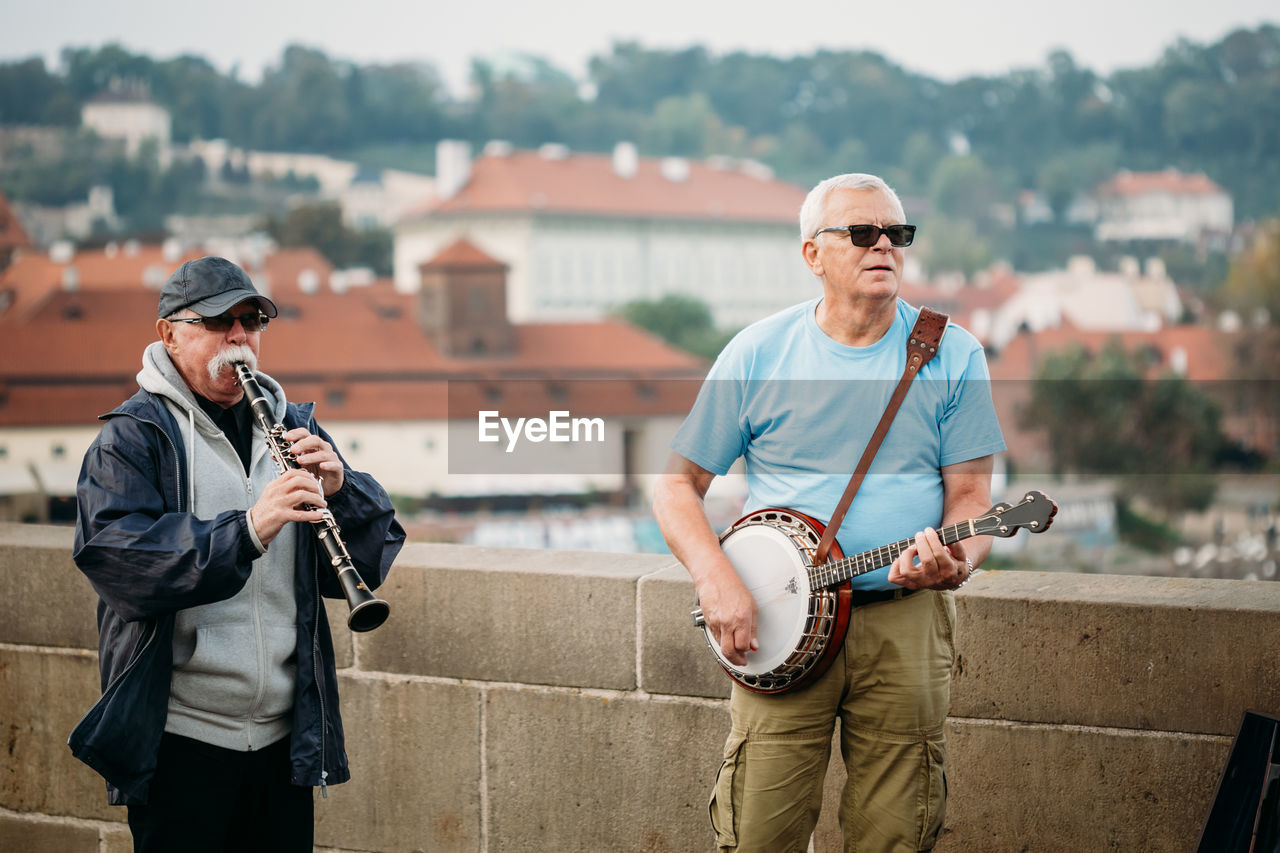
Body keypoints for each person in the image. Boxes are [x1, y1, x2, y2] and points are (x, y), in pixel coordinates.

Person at [652, 173, 1005, 852]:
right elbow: (675, 487)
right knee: (759, 832)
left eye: (896, 235)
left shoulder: (953, 351)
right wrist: (716, 580)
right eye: (863, 233)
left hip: (903, 620)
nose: (885, 248)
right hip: (779, 622)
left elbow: (972, 501)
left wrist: (956, 561)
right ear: (813, 254)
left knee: (897, 836)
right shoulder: (759, 352)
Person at [69, 256, 406, 852]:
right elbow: (122, 566)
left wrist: (342, 491)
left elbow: (366, 562)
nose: (239, 338)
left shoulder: (295, 429)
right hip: (181, 742)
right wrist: (247, 530)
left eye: (251, 322)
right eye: (220, 323)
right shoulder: (132, 438)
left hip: (284, 742)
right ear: (170, 334)